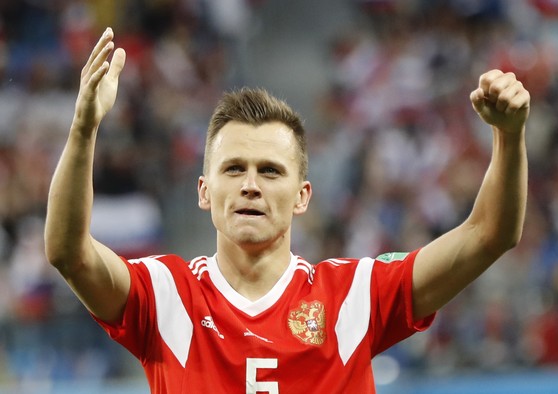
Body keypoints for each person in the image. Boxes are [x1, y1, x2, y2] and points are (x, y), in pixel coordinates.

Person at [44, 27, 530, 393]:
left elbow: (491, 234)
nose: (251, 186)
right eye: (233, 169)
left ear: (302, 195)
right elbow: (70, 253)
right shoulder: (167, 296)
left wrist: (508, 137)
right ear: (204, 191)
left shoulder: (355, 297)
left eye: (271, 171)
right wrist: (84, 129)